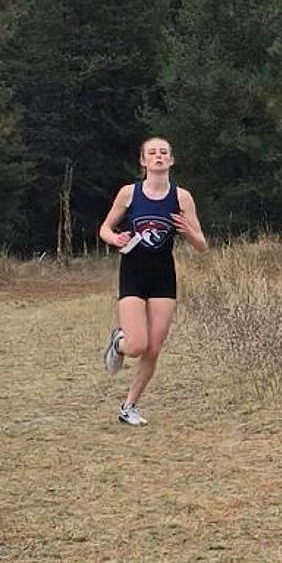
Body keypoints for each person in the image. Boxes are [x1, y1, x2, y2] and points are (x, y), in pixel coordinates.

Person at [98, 136, 208, 427]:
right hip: (133, 272)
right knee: (136, 345)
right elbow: (105, 229)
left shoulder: (182, 197)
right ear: (143, 161)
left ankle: (129, 406)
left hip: (163, 276)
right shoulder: (129, 194)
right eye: (152, 153)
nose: (158, 156)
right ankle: (118, 341)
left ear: (171, 160)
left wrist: (188, 231)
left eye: (164, 153)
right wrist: (116, 238)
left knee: (154, 348)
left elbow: (202, 245)